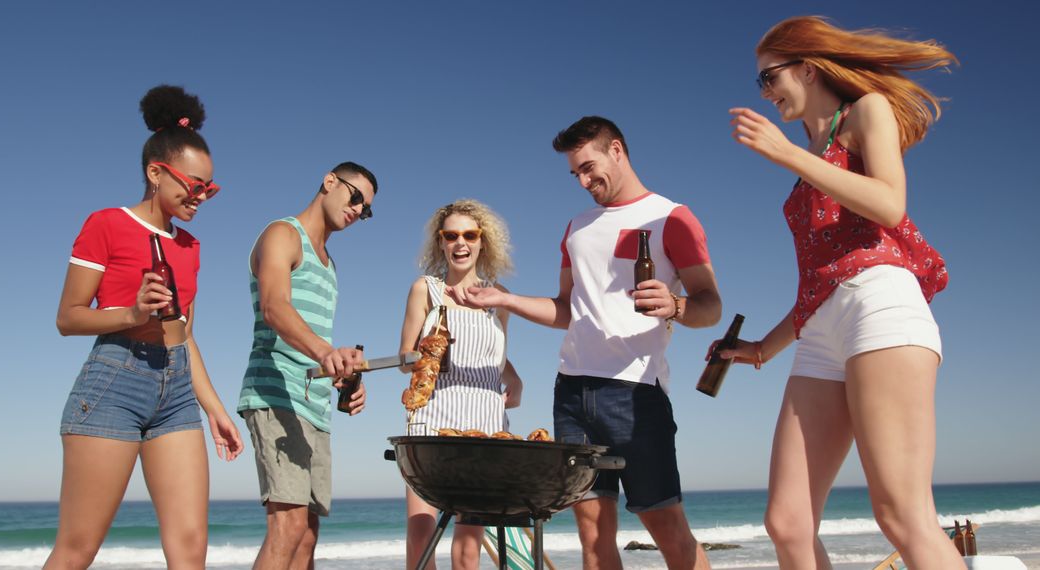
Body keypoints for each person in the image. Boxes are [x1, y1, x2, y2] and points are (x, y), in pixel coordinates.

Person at [719, 16, 960, 570]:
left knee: (902, 514)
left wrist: (787, 155)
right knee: (788, 523)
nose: (764, 91)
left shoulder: (866, 111)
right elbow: (819, 284)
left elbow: (889, 204)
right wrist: (760, 350)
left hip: (881, 306)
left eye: (768, 77)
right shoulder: (812, 152)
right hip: (823, 325)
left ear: (807, 67)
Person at [448, 116, 721, 570]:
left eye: (589, 167)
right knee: (592, 539)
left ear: (617, 149)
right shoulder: (577, 226)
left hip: (635, 394)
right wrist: (505, 299)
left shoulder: (671, 216)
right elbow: (566, 310)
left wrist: (675, 305)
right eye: (575, 173)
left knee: (669, 531)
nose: (584, 180)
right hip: (572, 395)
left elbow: (710, 306)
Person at [47, 85, 243, 569]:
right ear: (156, 173)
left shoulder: (190, 247)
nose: (201, 196)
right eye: (193, 185)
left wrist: (215, 409)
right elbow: (68, 317)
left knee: (190, 549)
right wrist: (132, 315)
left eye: (208, 189)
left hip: (176, 393)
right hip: (115, 380)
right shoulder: (107, 224)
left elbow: (185, 335)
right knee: (78, 548)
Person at [237, 161, 377, 570]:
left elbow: (314, 342)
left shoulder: (330, 266)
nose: (357, 210)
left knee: (308, 534)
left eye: (365, 209)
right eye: (355, 197)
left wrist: (347, 377)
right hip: (276, 394)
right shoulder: (282, 234)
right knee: (288, 526)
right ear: (329, 181)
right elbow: (274, 306)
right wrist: (324, 352)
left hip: (313, 404)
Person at [399, 200, 524, 570]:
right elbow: (405, 358)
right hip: (432, 423)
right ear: (440, 242)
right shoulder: (426, 290)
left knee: (469, 547)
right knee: (421, 537)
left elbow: (496, 353)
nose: (460, 243)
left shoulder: (496, 297)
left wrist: (513, 376)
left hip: (485, 427)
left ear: (482, 241)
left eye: (469, 235)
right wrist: (427, 353)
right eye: (451, 235)